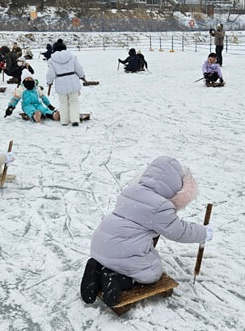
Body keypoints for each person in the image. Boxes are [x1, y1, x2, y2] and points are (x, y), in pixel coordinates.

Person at [80, 156, 212, 306]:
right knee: (152, 272)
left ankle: (96, 268)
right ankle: (118, 279)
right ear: (176, 186)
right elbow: (179, 231)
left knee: (122, 253)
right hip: (122, 250)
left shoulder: (130, 191)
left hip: (100, 245)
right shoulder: (161, 206)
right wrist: (204, 232)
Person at [46, 39, 86, 127]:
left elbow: (50, 74)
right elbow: (79, 68)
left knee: (63, 102)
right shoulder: (72, 57)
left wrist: (49, 82)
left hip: (61, 83)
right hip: (73, 81)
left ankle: (64, 120)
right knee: (74, 102)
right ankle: (75, 120)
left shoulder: (52, 60)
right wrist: (82, 76)